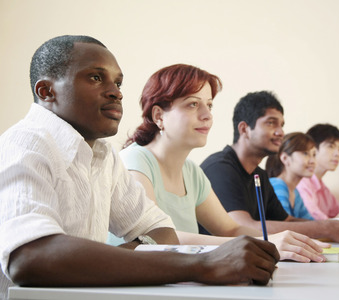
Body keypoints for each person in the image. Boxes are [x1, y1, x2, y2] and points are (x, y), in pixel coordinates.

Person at [0, 36, 279, 300]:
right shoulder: (24, 146)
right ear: (47, 91)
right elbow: (30, 258)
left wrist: (93, 264)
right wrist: (202, 265)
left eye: (118, 83)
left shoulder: (103, 155)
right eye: (96, 78)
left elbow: (162, 231)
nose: (116, 92)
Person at [118, 64, 328, 263]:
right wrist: (264, 243)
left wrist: (289, 241)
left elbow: (231, 229)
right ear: (158, 116)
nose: (207, 115)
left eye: (209, 105)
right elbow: (154, 238)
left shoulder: (191, 171)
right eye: (193, 104)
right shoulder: (135, 160)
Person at [200, 91, 339, 244]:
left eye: (281, 125)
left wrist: (336, 225)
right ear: (245, 129)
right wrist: (330, 228)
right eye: (271, 123)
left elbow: (288, 221)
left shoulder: (260, 176)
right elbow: (241, 228)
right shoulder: (220, 168)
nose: (280, 132)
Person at [265, 132, 316, 220]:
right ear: (285, 158)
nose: (312, 161)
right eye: (305, 154)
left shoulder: (295, 192)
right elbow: (283, 226)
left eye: (314, 155)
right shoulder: (277, 185)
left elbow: (311, 223)